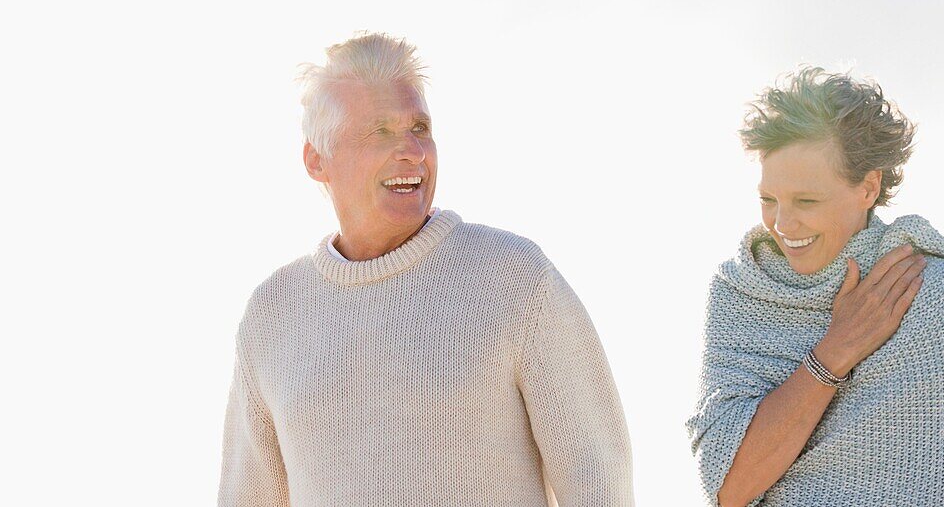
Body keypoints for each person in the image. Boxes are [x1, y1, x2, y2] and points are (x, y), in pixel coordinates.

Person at [218, 32, 633, 507]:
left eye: (419, 128)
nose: (412, 151)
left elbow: (597, 476)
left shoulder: (514, 277)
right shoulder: (272, 314)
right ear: (317, 159)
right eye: (381, 132)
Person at [686, 67, 944, 507]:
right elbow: (729, 488)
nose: (781, 223)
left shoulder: (939, 294)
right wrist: (837, 350)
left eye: (807, 201)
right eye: (768, 199)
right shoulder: (741, 293)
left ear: (868, 187)